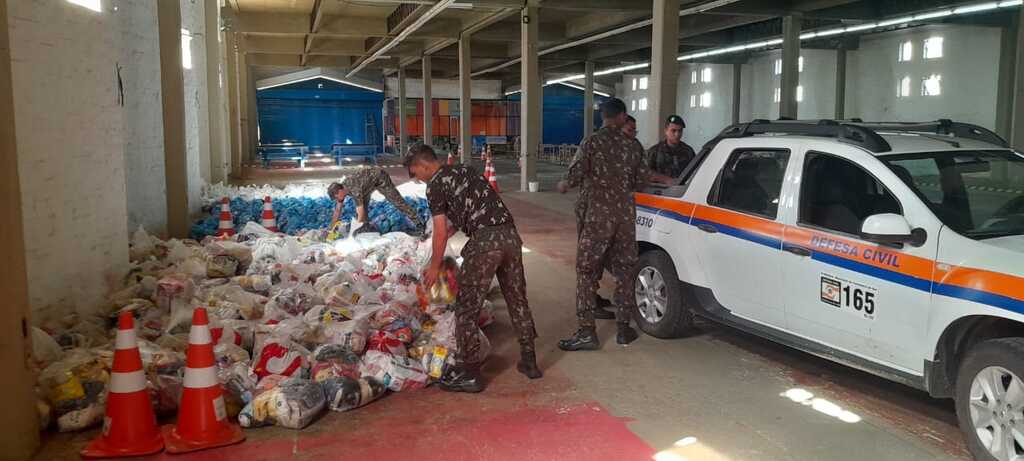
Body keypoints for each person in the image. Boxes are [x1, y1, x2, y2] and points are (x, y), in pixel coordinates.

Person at [406, 144, 541, 393]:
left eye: (415, 173)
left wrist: (434, 267)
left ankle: (470, 373)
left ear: (423, 165)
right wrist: (443, 239)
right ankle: (530, 361)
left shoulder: (435, 184)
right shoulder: (466, 170)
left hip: (485, 244)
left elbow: (439, 230)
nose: (417, 178)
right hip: (510, 236)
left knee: (466, 309)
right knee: (517, 299)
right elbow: (470, 213)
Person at [557, 98, 672, 350]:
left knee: (586, 271)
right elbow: (642, 181)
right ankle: (623, 328)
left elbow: (574, 176)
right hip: (624, 217)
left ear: (603, 116)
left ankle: (587, 332)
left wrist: (566, 184)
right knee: (625, 270)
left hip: (597, 217)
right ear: (622, 117)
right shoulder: (633, 146)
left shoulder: (591, 142)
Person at [328, 166, 424, 234]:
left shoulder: (354, 189)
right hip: (366, 185)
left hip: (379, 177)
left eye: (336, 197)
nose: (337, 199)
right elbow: (337, 210)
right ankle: (366, 227)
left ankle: (419, 224)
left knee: (397, 201)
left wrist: (353, 231)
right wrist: (330, 228)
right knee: (363, 205)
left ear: (340, 191)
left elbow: (360, 214)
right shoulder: (342, 191)